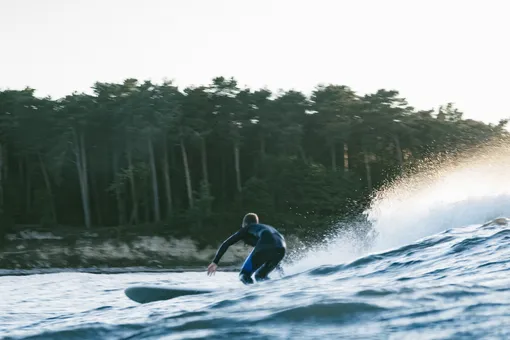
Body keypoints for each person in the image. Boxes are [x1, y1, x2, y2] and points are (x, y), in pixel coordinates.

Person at [207, 212, 286, 284]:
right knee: (260, 276)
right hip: (282, 247)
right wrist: (281, 272)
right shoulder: (265, 228)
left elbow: (226, 243)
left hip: (266, 245)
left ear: (245, 224)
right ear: (256, 223)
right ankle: (275, 287)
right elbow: (273, 249)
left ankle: (251, 293)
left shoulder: (248, 228)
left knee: (244, 274)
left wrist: (215, 262)